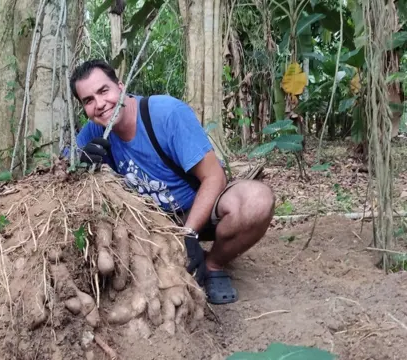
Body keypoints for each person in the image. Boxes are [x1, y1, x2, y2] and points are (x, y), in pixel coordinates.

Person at [68, 59, 275, 305]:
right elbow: (60, 172)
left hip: (198, 208)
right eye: (88, 100)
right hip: (152, 223)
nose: (99, 104)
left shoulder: (166, 114)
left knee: (256, 201)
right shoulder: (94, 132)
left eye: (104, 91)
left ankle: (214, 265)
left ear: (120, 86)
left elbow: (214, 177)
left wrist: (189, 233)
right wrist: (82, 162)